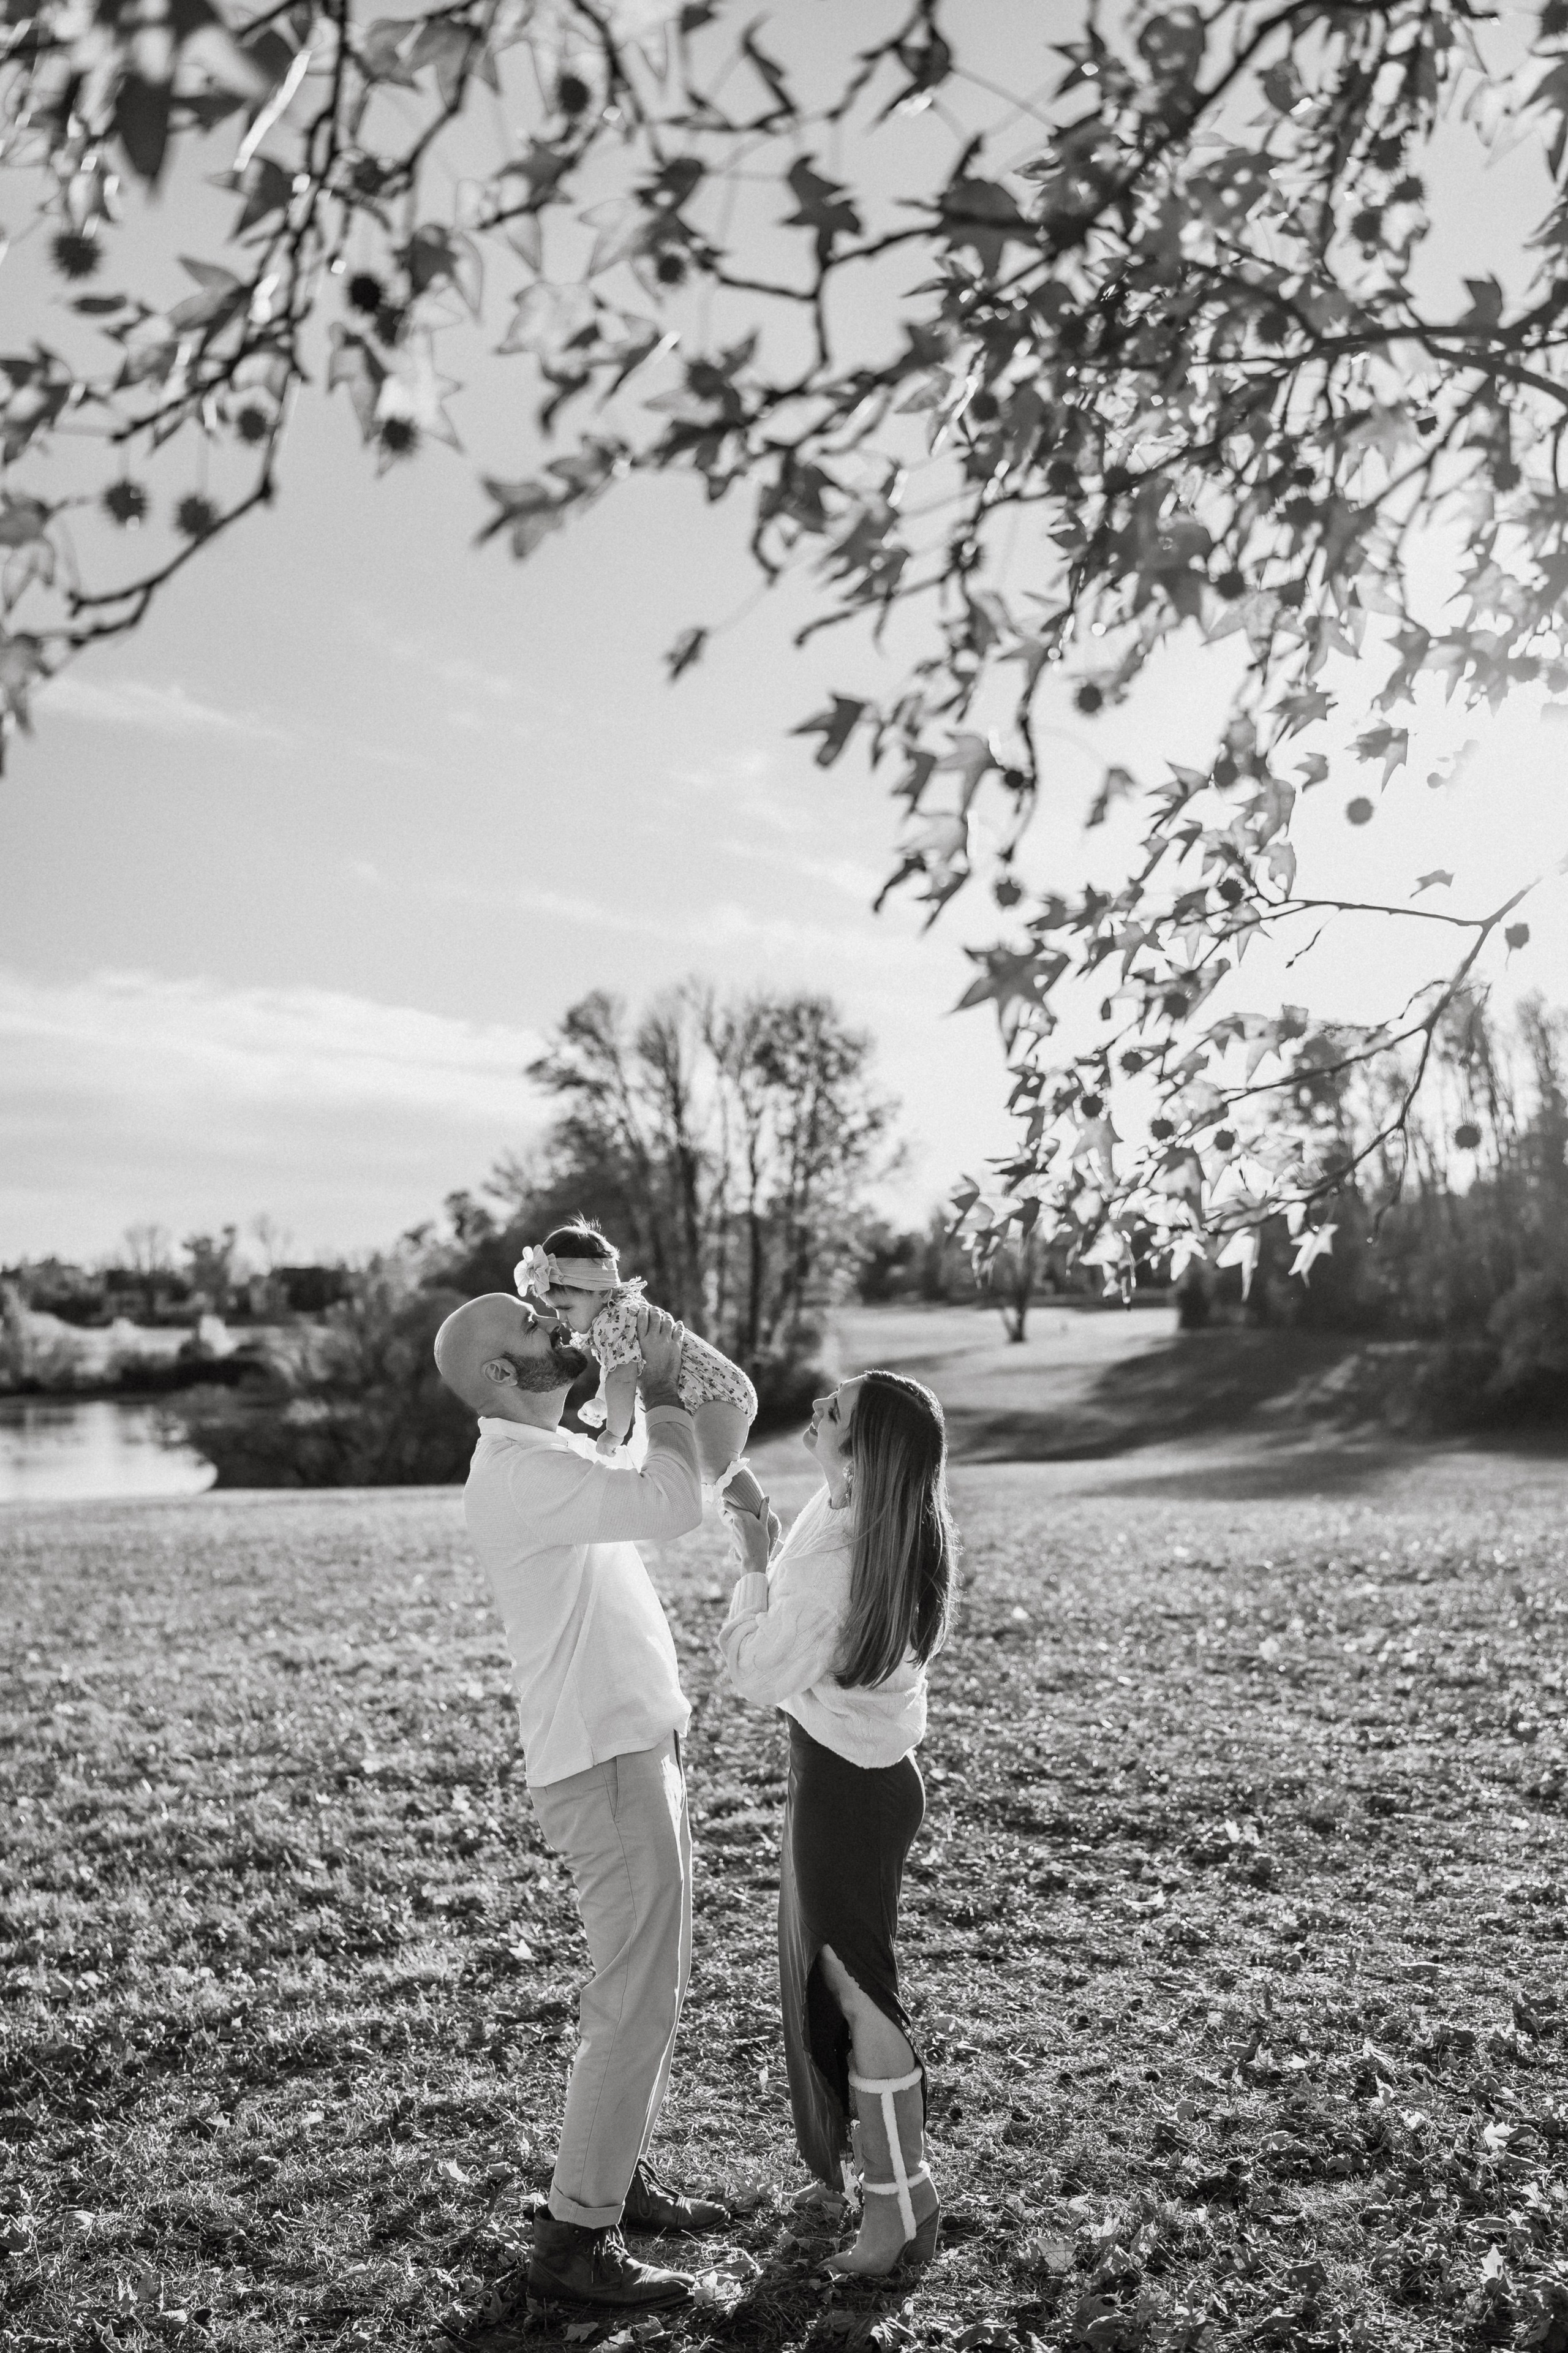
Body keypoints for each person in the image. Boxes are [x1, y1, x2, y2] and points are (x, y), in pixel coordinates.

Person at [432, 1289, 728, 2314]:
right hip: (605, 1764)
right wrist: (663, 1389)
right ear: (497, 1376)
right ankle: (576, 2240)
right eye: (532, 1327)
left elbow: (623, 1457)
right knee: (633, 1999)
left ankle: (612, 2175)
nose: (552, 1327)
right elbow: (672, 1501)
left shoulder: (546, 1455)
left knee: (652, 1985)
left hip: (630, 1747)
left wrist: (628, 1376)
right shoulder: (523, 1472)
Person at [716, 1369, 957, 2278]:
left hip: (846, 1792)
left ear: (863, 1455)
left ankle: (894, 2208)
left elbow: (753, 1671)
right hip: (867, 1779)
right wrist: (767, 1529)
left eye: (836, 1411)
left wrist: (751, 1562)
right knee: (856, 1989)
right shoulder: (872, 1520)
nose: (816, 1407)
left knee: (862, 1997)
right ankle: (906, 2197)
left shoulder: (839, 1556)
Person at [514, 1220, 766, 1518]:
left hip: (713, 1395)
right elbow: (616, 1369)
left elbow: (622, 1379)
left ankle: (762, 1521)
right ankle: (747, 1523)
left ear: (602, 1292)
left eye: (566, 1308)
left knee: (713, 1464)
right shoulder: (613, 1318)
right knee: (700, 1468)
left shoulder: (612, 1322)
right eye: (555, 1309)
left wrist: (614, 1432)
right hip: (705, 1397)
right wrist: (602, 1401)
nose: (561, 1319)